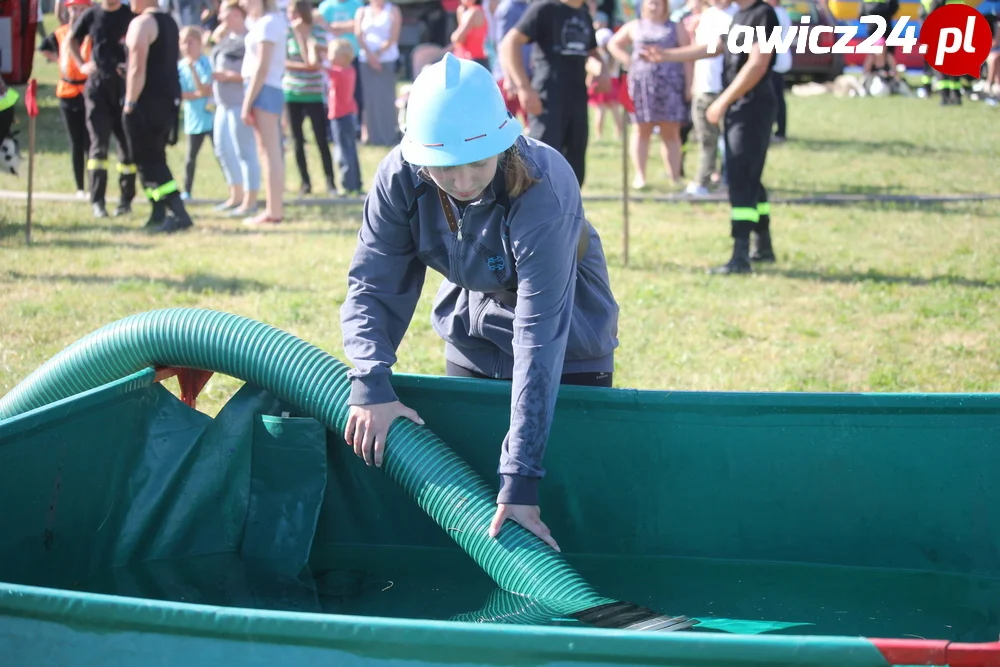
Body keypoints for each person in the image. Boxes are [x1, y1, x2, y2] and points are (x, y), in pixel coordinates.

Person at [339, 54, 620, 551]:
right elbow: (373, 284)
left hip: (566, 337)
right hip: (473, 327)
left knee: (560, 505)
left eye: (478, 162)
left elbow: (539, 338)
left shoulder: (545, 184)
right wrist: (371, 384)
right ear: (419, 155)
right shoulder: (400, 178)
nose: (464, 181)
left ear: (504, 144)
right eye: (445, 168)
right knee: (472, 495)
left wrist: (520, 481)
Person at [639, 0, 778, 273]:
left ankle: (740, 257)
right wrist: (666, 55)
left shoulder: (763, 14)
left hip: (753, 106)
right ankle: (763, 246)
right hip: (740, 105)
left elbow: (758, 64)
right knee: (749, 174)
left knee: (740, 177)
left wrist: (722, 101)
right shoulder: (741, 15)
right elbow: (714, 47)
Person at [499, 0, 609, 188]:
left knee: (575, 162)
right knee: (540, 163)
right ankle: (533, 211)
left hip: (577, 98)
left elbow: (590, 51)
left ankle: (568, 212)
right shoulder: (545, 7)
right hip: (547, 97)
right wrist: (524, 87)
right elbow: (511, 42)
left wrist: (603, 71)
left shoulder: (583, 11)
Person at [122, 0, 196, 232]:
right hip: (167, 101)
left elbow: (137, 67)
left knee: (147, 160)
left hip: (145, 102)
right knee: (155, 156)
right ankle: (158, 212)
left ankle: (178, 211)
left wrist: (130, 102)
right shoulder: (170, 22)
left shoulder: (142, 23)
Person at [69, 0, 139, 219]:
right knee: (98, 148)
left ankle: (126, 200)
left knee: (126, 147)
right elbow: (72, 39)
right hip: (98, 89)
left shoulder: (130, 16)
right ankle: (97, 201)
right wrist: (81, 64)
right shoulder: (92, 15)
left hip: (122, 88)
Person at [38, 0, 94, 198]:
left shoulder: (92, 33)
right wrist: (60, 59)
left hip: (87, 91)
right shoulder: (62, 32)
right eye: (74, 9)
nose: (77, 13)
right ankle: (80, 187)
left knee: (90, 143)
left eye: (81, 9)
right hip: (67, 91)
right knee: (76, 143)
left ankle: (92, 185)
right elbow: (44, 48)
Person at [209, 0, 260, 216]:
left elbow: (257, 71)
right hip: (222, 102)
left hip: (240, 101)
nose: (221, 19)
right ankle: (236, 195)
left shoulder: (250, 38)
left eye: (226, 15)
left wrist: (230, 76)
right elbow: (212, 40)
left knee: (244, 151)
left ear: (238, 16)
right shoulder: (226, 38)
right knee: (222, 149)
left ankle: (250, 201)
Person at [240, 0, 287, 225]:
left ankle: (273, 211)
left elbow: (262, 65)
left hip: (263, 88)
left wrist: (247, 102)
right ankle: (273, 209)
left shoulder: (269, 23)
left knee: (269, 153)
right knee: (268, 151)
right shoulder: (266, 21)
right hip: (264, 87)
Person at [284, 0, 336, 195]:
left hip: (314, 93)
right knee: (297, 140)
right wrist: (306, 65)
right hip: (292, 93)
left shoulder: (318, 32)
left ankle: (331, 182)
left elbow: (315, 61)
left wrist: (302, 37)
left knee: (321, 139)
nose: (291, 16)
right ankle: (305, 183)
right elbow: (284, 61)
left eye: (293, 12)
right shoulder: (287, 32)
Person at [178, 25, 216, 199]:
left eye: (190, 42)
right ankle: (187, 190)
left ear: (199, 43)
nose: (186, 47)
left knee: (221, 155)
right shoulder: (180, 66)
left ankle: (235, 189)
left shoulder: (206, 63)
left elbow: (205, 89)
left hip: (210, 117)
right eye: (183, 43)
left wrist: (193, 69)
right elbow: (179, 93)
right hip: (193, 119)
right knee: (190, 158)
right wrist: (195, 94)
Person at [326, 38, 363, 195]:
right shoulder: (350, 70)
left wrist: (312, 47)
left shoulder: (338, 73)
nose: (329, 57)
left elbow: (315, 65)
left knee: (342, 151)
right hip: (349, 115)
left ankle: (347, 184)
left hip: (340, 116)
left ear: (341, 58)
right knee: (351, 149)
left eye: (331, 54)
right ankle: (356, 183)